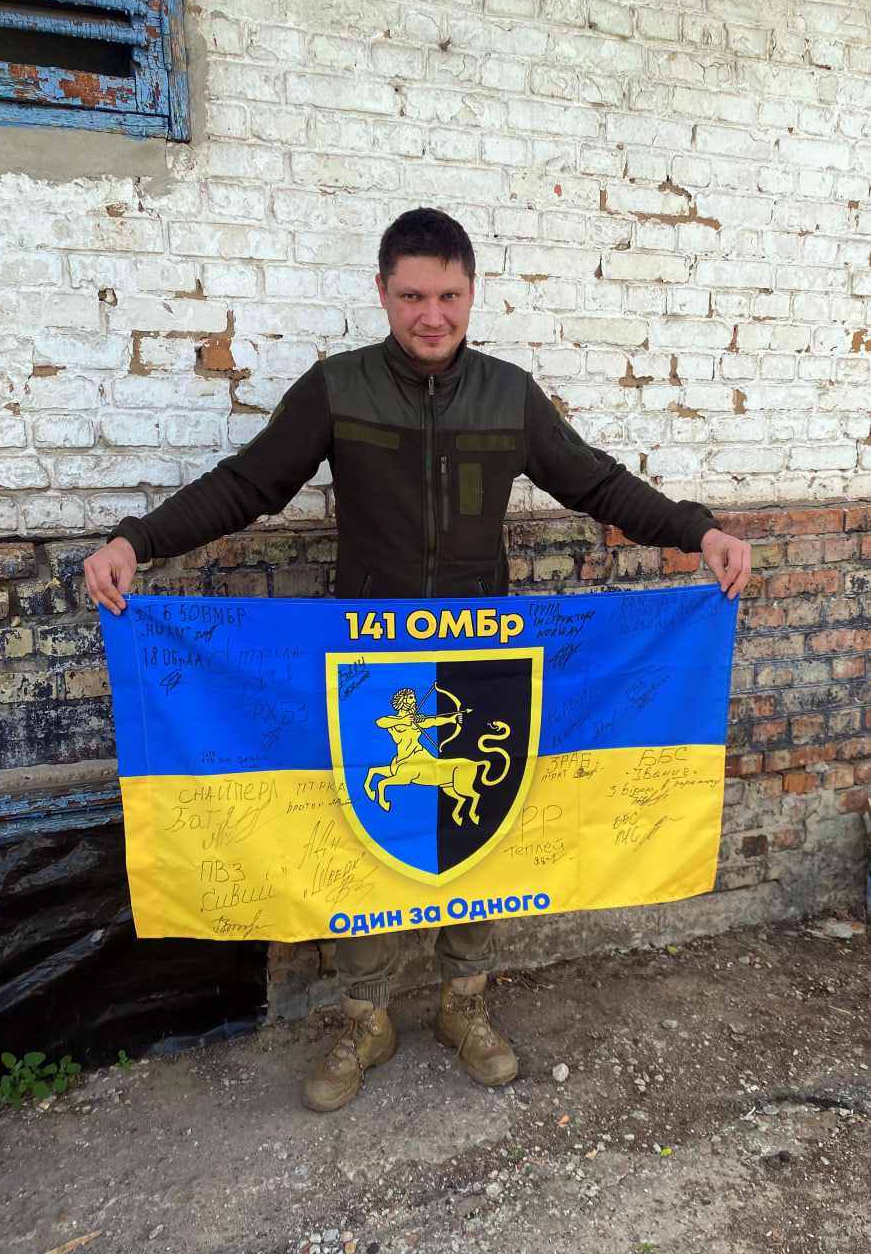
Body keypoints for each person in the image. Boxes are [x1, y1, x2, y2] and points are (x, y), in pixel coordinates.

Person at [85, 207, 751, 1113]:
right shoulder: (336, 389)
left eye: (447, 295)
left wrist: (699, 530)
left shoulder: (509, 395)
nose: (430, 315)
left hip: (481, 662)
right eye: (410, 297)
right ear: (382, 293)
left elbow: (596, 482)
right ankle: (365, 1018)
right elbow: (248, 484)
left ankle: (462, 1005)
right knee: (358, 839)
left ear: (471, 294)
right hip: (369, 664)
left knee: (482, 839)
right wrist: (137, 539)